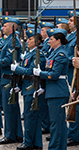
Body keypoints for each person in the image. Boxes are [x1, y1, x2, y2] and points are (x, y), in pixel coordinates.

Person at [33, 28, 69, 150]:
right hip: (53, 91)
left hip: (57, 92)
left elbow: (53, 75)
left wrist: (40, 73)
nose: (49, 41)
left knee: (56, 124)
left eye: (51, 39)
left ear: (58, 41)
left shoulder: (61, 54)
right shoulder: (54, 53)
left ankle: (54, 147)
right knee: (59, 124)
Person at [0, 16, 23, 144]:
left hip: (9, 79)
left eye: (5, 26)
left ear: (12, 27)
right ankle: (16, 134)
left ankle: (10, 135)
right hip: (6, 78)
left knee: (10, 108)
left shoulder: (13, 40)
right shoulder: (8, 40)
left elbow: (8, 60)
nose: (2, 28)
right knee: (11, 108)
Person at [11, 28, 46, 150]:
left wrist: (17, 69)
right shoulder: (29, 53)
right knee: (32, 117)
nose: (27, 41)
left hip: (32, 88)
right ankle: (36, 143)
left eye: (30, 39)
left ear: (37, 41)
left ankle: (28, 142)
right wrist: (19, 86)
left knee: (30, 117)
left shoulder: (38, 54)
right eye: (27, 39)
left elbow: (31, 72)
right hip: (27, 88)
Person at [66, 10, 79, 146]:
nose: (68, 22)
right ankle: (73, 134)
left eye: (71, 20)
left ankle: (74, 135)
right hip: (73, 76)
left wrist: (70, 59)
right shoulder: (72, 36)